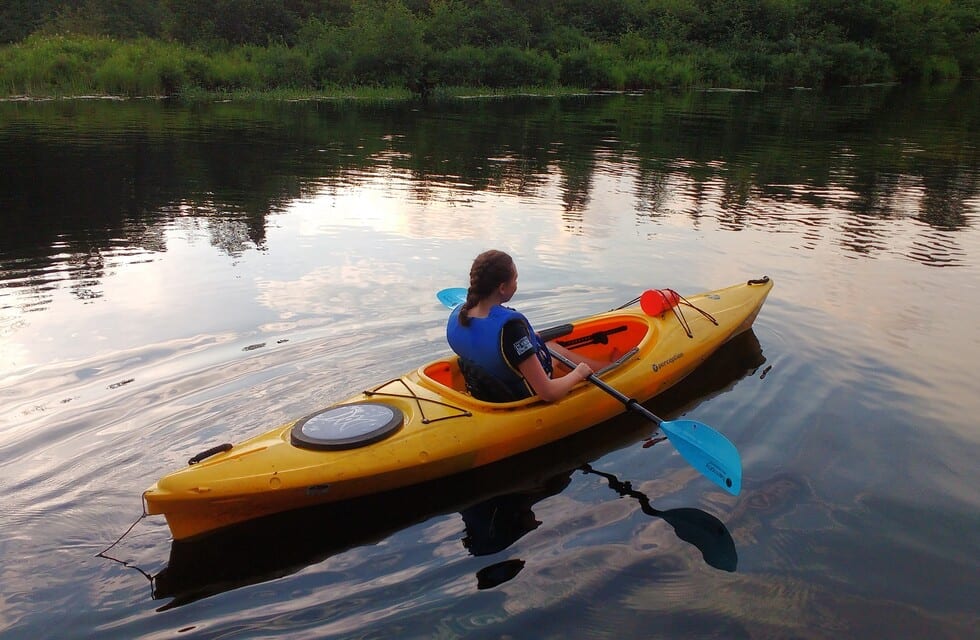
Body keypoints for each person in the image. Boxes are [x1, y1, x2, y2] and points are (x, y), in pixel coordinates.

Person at [446, 250, 607, 402]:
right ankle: (608, 371)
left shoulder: (463, 312)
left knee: (553, 348)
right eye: (515, 279)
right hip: (517, 395)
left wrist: (525, 340)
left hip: (485, 388)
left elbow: (491, 344)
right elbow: (548, 393)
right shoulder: (511, 330)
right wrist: (579, 373)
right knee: (561, 355)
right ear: (502, 288)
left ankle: (606, 368)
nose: (516, 284)